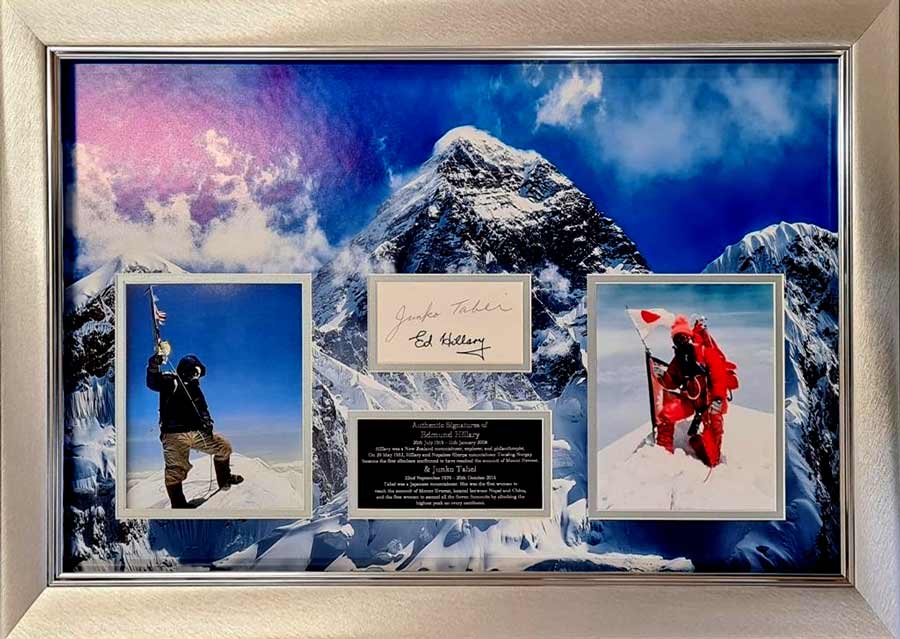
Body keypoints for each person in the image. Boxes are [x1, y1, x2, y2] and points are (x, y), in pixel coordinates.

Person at [146, 348, 243, 509]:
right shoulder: (170, 381)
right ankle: (179, 505)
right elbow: (153, 382)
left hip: (197, 433)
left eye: (198, 373)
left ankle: (225, 479)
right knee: (175, 471)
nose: (197, 376)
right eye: (195, 371)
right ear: (186, 369)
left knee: (223, 447)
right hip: (174, 435)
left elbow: (203, 409)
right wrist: (153, 365)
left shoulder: (195, 389)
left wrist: (207, 422)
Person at [655, 315, 731, 467]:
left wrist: (718, 399)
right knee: (666, 414)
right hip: (691, 401)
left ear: (689, 336)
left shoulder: (705, 352)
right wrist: (662, 376)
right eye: (676, 339)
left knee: (714, 429)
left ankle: (712, 457)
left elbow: (719, 377)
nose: (680, 341)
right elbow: (672, 382)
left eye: (682, 337)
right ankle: (662, 453)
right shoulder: (678, 360)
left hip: (710, 402)